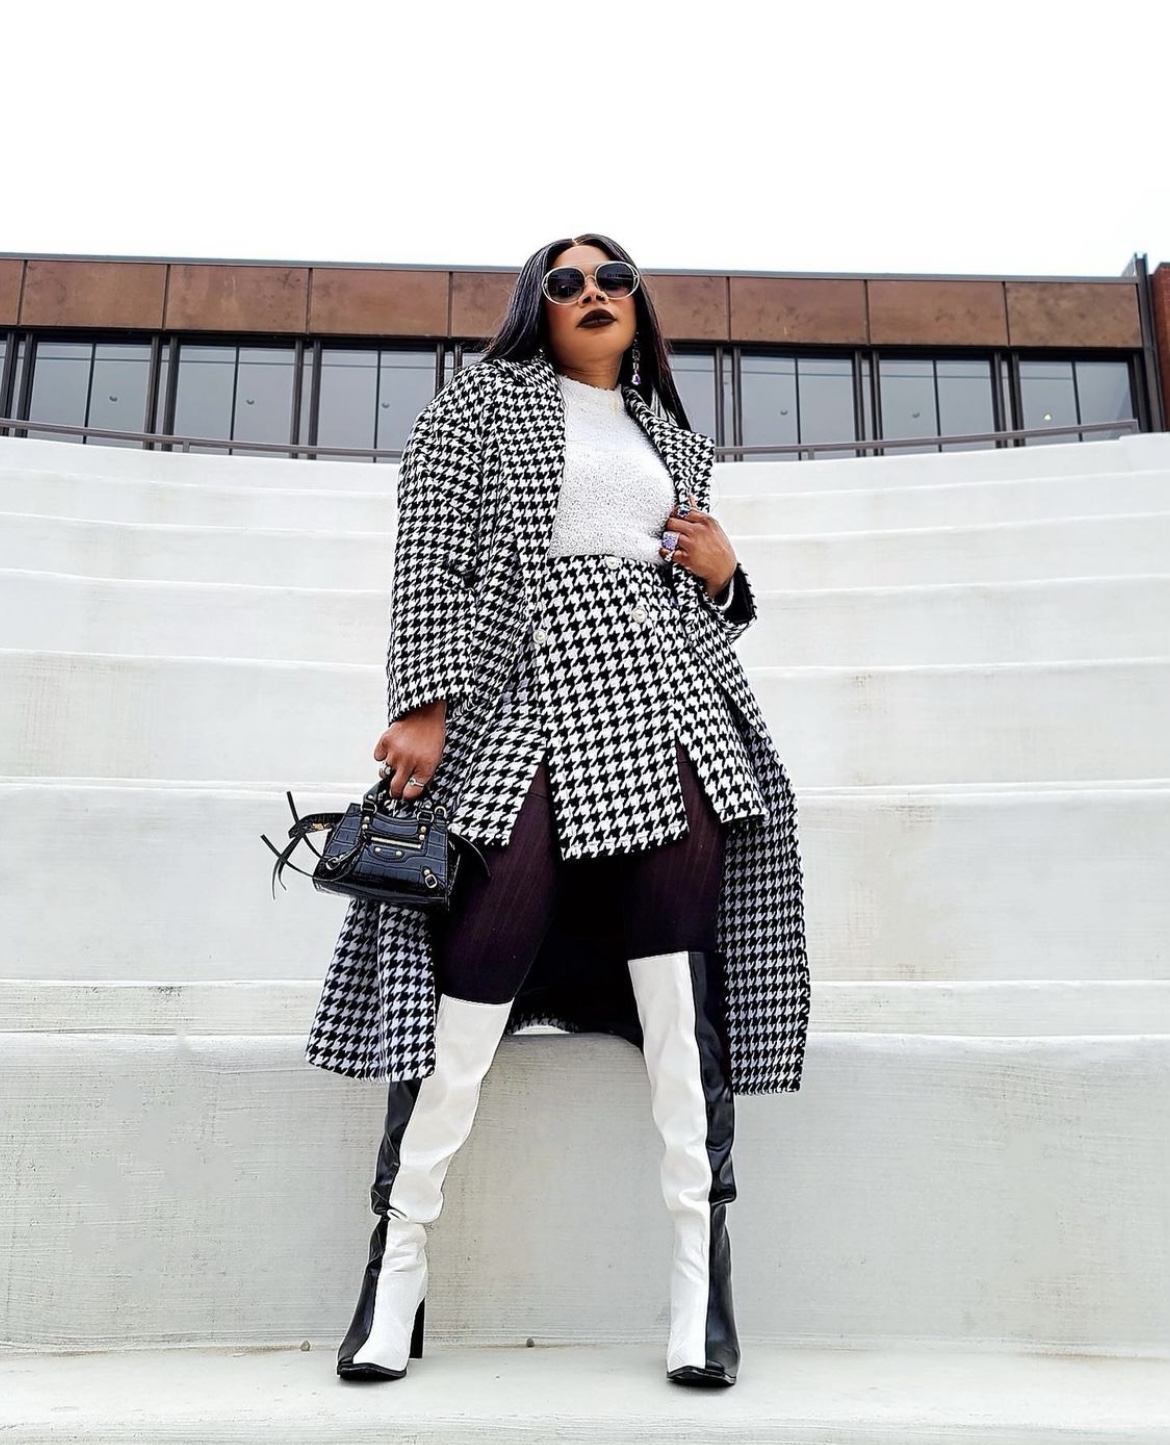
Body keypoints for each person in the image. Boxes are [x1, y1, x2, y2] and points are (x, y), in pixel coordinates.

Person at [306, 233, 810, 1388]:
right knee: (476, 951)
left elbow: (702, 595)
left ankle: (702, 1280)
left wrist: (728, 577)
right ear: (537, 306)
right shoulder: (481, 400)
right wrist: (423, 702)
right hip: (528, 688)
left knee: (680, 977)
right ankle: (399, 1259)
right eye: (566, 282)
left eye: (611, 279)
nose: (591, 294)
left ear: (638, 303)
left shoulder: (670, 429)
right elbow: (430, 553)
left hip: (670, 697)